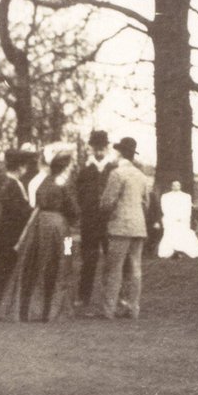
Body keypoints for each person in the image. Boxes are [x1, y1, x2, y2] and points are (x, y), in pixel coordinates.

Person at [0, 152, 79, 322]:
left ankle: (31, 308)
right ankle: (54, 308)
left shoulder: (44, 181)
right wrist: (73, 219)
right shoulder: (64, 183)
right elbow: (73, 210)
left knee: (38, 263)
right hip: (61, 227)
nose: (72, 168)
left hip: (39, 225)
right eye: (70, 165)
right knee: (65, 259)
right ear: (65, 167)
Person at [92, 136, 150, 319]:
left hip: (120, 226)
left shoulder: (117, 174)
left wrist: (104, 214)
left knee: (114, 269)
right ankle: (133, 308)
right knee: (135, 268)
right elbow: (146, 203)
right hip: (138, 226)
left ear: (120, 153)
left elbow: (107, 202)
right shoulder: (141, 176)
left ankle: (108, 310)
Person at [0, 149, 32, 310]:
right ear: (20, 167)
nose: (26, 169)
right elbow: (19, 211)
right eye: (24, 166)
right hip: (9, 233)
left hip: (1, 231)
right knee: (3, 267)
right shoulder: (14, 185)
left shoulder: (4, 181)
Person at [75, 129, 115, 304]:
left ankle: (112, 298)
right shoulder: (85, 170)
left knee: (112, 260)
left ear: (107, 148)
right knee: (88, 260)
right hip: (89, 222)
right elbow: (78, 194)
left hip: (109, 222)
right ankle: (84, 297)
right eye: (96, 148)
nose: (99, 152)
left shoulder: (113, 169)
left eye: (102, 148)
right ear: (92, 148)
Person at [156, 180, 198, 258]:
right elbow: (165, 208)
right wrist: (173, 217)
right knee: (171, 233)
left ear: (180, 186)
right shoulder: (166, 196)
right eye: (174, 185)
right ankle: (169, 252)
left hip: (183, 219)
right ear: (171, 186)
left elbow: (187, 208)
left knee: (183, 233)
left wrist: (182, 217)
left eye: (178, 185)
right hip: (170, 218)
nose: (176, 187)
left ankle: (183, 251)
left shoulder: (186, 196)